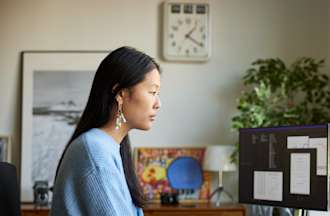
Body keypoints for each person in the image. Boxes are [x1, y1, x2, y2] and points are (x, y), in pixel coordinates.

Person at [50, 46, 161, 216]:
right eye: (152, 92)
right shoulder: (95, 151)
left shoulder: (108, 147)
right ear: (121, 94)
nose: (158, 103)